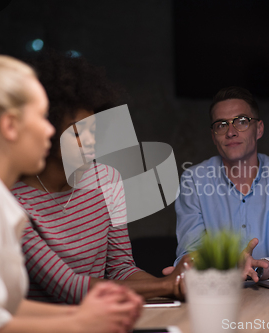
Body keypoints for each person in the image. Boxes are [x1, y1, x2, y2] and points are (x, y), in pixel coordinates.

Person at [0, 37, 142, 333]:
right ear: (9, 126)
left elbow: (7, 307)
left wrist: (92, 314)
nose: (49, 130)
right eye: (42, 117)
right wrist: (82, 321)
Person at [11, 50, 187, 304]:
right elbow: (69, 287)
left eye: (93, 129)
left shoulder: (107, 180)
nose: (92, 141)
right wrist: (169, 285)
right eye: (79, 133)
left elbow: (121, 269)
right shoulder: (12, 201)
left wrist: (176, 286)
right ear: (47, 134)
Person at [170, 86, 269, 281]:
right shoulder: (193, 181)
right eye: (221, 125)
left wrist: (259, 269)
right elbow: (189, 253)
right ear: (213, 136)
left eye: (242, 122)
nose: (231, 132)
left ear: (259, 129)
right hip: (216, 295)